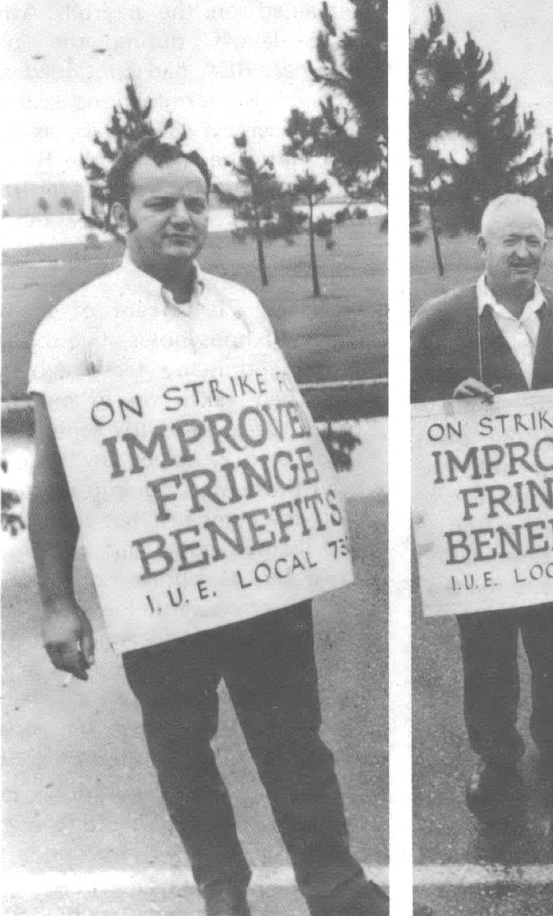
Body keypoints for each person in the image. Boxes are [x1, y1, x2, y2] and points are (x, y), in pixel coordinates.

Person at [27, 139, 387, 916]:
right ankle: (222, 890)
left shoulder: (240, 306)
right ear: (121, 212)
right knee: (183, 743)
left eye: (196, 200)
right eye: (161, 202)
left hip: (261, 577)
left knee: (295, 736)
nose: (183, 216)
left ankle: (336, 885)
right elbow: (54, 480)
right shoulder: (75, 325)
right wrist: (58, 600)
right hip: (161, 585)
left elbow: (274, 436)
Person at [411, 194, 553, 820]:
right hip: (483, 530)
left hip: (551, 527)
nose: (524, 253)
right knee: (488, 647)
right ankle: (496, 756)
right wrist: (447, 398)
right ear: (483, 249)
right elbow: (410, 407)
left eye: (535, 241)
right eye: (510, 242)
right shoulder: (442, 319)